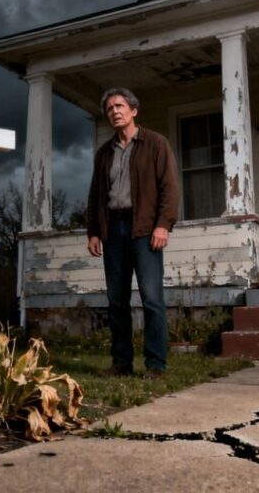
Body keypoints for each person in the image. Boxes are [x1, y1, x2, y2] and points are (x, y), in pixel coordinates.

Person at [86, 87, 179, 379]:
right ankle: (121, 364)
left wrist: (163, 224)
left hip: (145, 230)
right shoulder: (104, 153)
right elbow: (95, 195)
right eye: (110, 108)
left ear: (133, 110)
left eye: (119, 106)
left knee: (151, 298)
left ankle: (155, 366)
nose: (114, 111)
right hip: (113, 231)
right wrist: (93, 232)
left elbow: (170, 188)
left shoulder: (155, 144)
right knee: (117, 301)